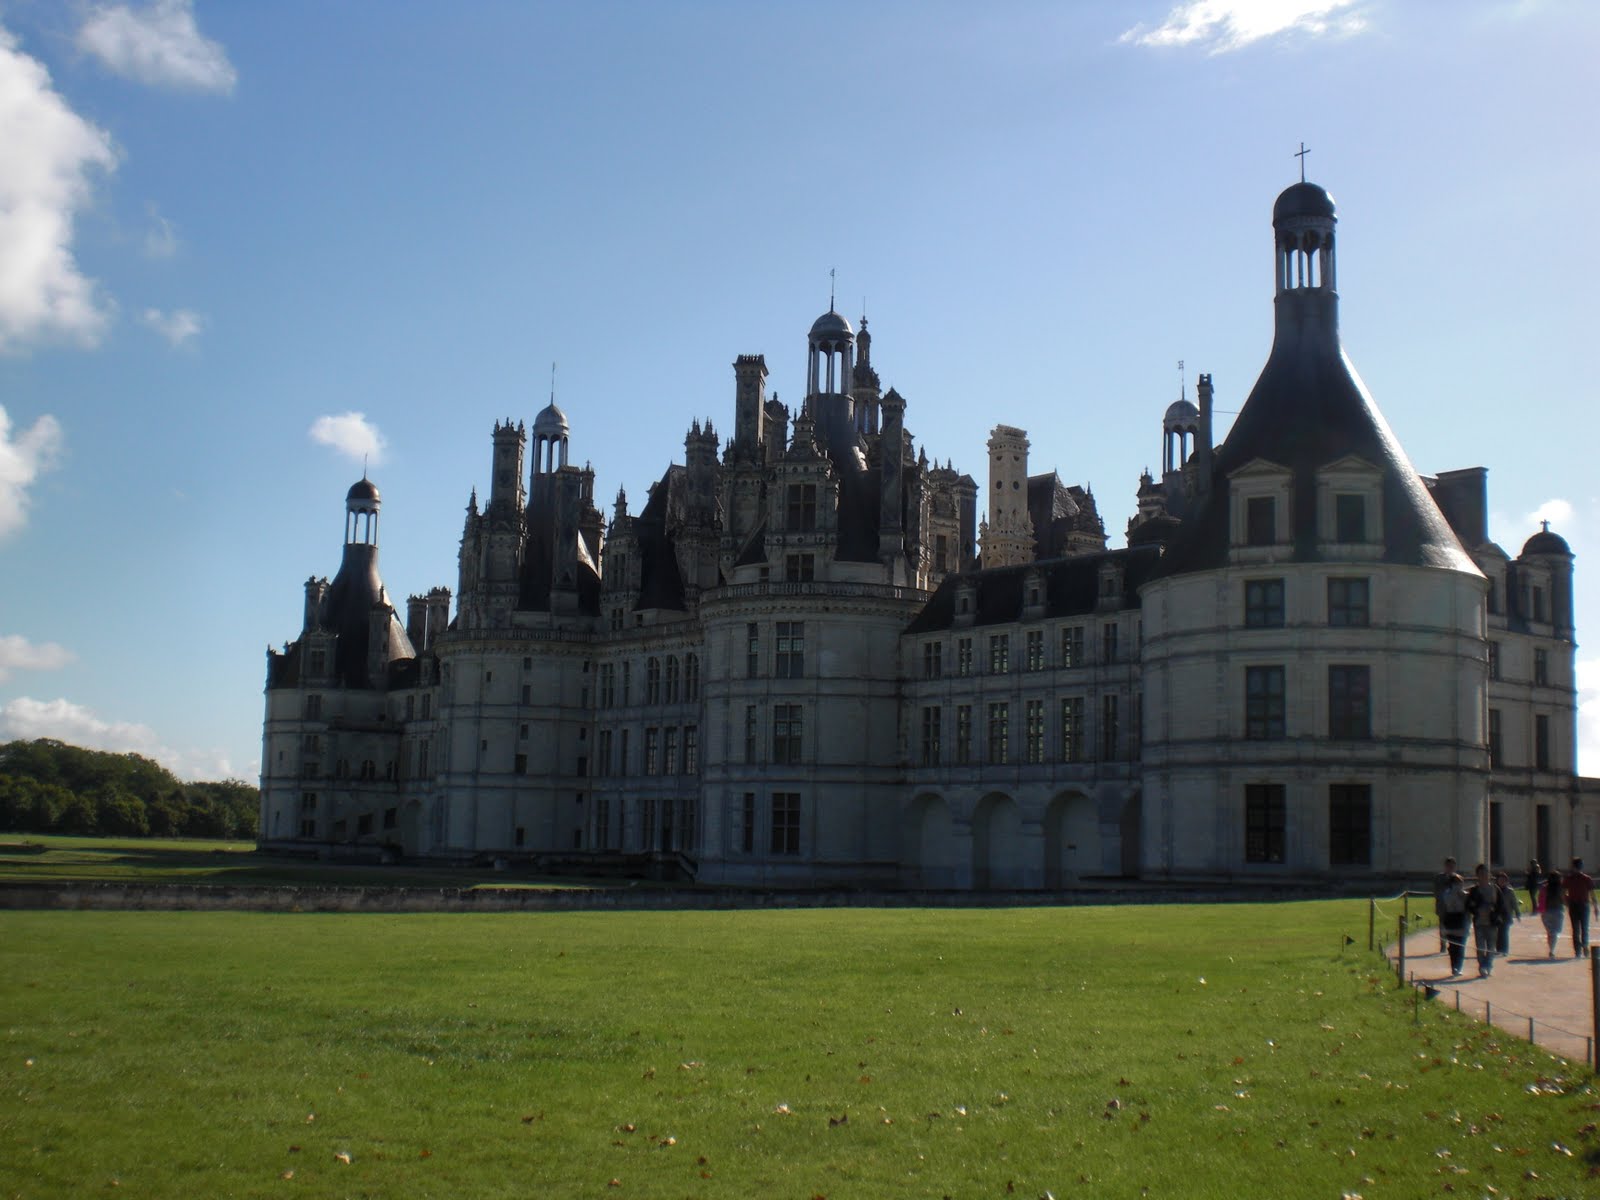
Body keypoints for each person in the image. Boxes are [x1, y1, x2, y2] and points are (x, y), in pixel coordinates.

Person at [1465, 863, 1503, 977]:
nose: (1484, 876)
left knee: (1491, 946)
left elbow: (1501, 904)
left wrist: (1496, 913)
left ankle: (1488, 965)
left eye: (1485, 873)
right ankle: (1482, 966)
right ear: (1477, 875)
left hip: (1491, 922)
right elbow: (1469, 905)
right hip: (1479, 922)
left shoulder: (1495, 889)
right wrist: (1476, 909)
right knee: (1480, 947)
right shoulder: (1474, 890)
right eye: (1481, 874)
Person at [1438, 871, 1469, 977]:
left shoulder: (1465, 895)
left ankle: (1458, 967)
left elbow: (1468, 908)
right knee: (1452, 945)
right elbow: (1445, 907)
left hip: (1461, 919)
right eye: (1456, 883)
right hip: (1450, 918)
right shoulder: (1446, 894)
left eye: (1460, 883)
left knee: (1461, 945)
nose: (1459, 885)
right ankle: (1454, 966)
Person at [1564, 858, 1597, 957]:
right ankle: (1581, 948)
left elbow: (1563, 892)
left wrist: (1567, 901)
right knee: (1580, 928)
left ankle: (1581, 948)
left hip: (1578, 904)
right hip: (1579, 905)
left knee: (1579, 928)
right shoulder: (1584, 878)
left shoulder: (1575, 878)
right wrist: (1595, 907)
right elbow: (1592, 894)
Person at [1433, 856, 1458, 953]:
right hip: (1443, 906)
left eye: (1452, 866)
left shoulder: (1457, 878)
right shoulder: (1439, 878)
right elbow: (1436, 891)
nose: (1450, 868)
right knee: (1443, 926)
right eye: (1448, 866)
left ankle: (1452, 945)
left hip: (1454, 908)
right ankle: (1443, 945)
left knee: (1453, 927)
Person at [1494, 869, 1521, 960]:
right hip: (1497, 914)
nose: (1502, 882)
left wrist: (1517, 913)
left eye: (1504, 880)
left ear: (1507, 881)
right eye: (1500, 880)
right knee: (1497, 933)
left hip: (1507, 914)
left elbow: (1514, 903)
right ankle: (1498, 949)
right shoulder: (1494, 890)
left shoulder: (1510, 891)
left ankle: (1504, 949)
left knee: (1504, 932)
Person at [1539, 869, 1565, 957]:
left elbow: (1541, 899)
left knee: (1550, 933)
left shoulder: (1544, 888)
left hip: (1546, 912)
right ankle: (1552, 950)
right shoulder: (1561, 888)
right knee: (1555, 932)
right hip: (1558, 911)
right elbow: (1563, 900)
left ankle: (1551, 949)